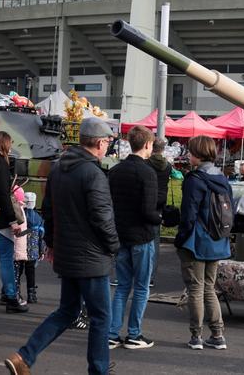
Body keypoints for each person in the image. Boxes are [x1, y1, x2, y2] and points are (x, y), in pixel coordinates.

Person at [5, 117, 119, 375]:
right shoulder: (94, 173)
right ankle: (98, 370)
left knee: (67, 311)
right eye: (108, 142)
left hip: (67, 253)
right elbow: (102, 218)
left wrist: (53, 244)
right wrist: (114, 246)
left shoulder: (58, 169)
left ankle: (24, 356)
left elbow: (49, 211)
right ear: (100, 142)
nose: (108, 147)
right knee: (101, 317)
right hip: (91, 257)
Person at [175, 135, 231, 350]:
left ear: (197, 155)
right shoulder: (223, 179)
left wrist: (180, 240)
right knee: (209, 288)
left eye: (190, 152)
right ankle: (217, 335)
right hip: (218, 241)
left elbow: (188, 215)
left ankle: (196, 336)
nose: (188, 156)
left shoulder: (194, 179)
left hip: (196, 241)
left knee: (195, 289)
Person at [108, 125, 161, 350]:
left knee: (122, 286)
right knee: (141, 287)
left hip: (121, 234)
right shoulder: (148, 173)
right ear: (147, 144)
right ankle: (134, 334)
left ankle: (111, 333)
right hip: (142, 236)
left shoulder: (116, 170)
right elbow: (148, 211)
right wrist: (161, 218)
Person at [0, 131, 28, 314]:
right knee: (6, 259)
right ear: (3, 144)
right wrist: (13, 220)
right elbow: (4, 194)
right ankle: (11, 297)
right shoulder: (0, 162)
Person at [147, 138, 172, 286]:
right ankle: (151, 276)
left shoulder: (146, 164)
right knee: (155, 240)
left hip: (147, 201)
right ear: (163, 149)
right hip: (160, 203)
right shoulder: (167, 166)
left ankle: (141, 274)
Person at [22, 192, 44, 304]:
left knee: (17, 271)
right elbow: (41, 237)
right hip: (33, 251)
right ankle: (31, 294)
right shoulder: (38, 218)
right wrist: (41, 251)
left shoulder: (20, 215)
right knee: (30, 273)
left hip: (19, 250)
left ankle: (12, 292)